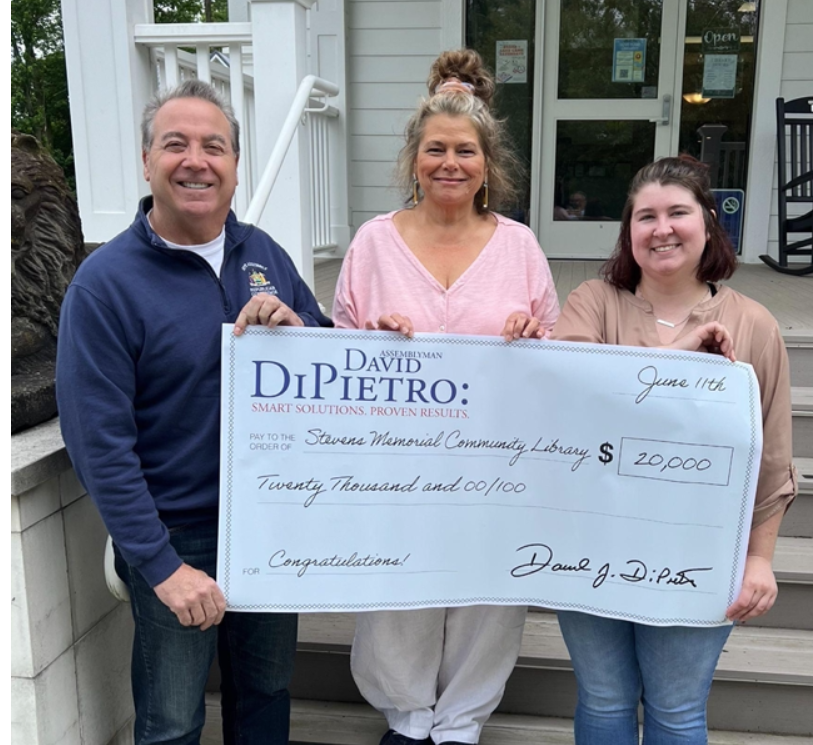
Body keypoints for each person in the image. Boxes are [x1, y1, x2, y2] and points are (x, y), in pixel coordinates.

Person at [56, 80, 332, 745]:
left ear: (234, 164)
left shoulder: (263, 253)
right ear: (146, 161)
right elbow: (99, 444)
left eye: (214, 146)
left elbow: (326, 358)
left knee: (265, 693)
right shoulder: (105, 285)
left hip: (268, 523)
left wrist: (300, 329)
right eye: (175, 144)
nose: (196, 161)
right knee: (172, 719)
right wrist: (160, 565)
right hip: (176, 535)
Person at [332, 49, 560, 745]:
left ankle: (459, 724)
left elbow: (555, 356)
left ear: (488, 164)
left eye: (465, 150)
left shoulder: (519, 247)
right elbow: (335, 352)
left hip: (496, 460)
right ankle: (407, 719)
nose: (450, 163)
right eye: (436, 149)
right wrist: (371, 340)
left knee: (486, 594)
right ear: (414, 159)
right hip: (395, 459)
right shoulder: (373, 244)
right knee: (398, 591)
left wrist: (532, 336)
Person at [551, 155, 797, 745]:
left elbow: (770, 457)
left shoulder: (754, 323)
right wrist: (681, 353)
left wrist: (759, 559)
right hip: (588, 543)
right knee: (604, 698)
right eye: (646, 216)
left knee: (677, 709)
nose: (662, 229)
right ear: (629, 232)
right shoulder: (593, 302)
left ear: (708, 222)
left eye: (677, 213)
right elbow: (569, 400)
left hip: (698, 552)